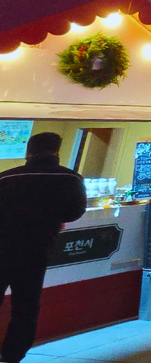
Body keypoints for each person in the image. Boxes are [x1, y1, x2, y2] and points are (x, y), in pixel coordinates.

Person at [0, 132, 86, 363]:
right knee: (26, 305)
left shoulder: (6, 178)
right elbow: (75, 212)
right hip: (37, 249)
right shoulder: (71, 178)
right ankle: (12, 355)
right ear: (57, 152)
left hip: (2, 248)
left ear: (28, 153)